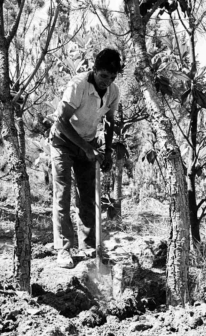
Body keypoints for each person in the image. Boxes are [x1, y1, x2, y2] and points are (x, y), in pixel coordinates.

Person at [50, 48, 123, 268]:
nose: (106, 82)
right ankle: (63, 249)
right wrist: (86, 148)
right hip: (63, 141)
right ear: (94, 69)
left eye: (112, 78)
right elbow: (61, 121)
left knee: (88, 195)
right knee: (62, 194)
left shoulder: (112, 91)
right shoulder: (78, 85)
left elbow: (109, 121)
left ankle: (88, 247)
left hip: (88, 142)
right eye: (103, 76)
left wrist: (107, 150)